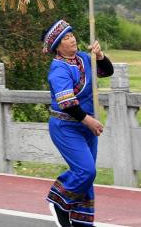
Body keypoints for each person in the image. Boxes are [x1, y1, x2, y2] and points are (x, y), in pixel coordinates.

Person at [43, 19, 114, 227]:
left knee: (87, 176)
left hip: (86, 125)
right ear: (57, 45)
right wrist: (89, 121)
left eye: (71, 34)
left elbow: (107, 71)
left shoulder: (84, 58)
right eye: (65, 37)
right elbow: (67, 104)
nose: (72, 39)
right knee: (85, 170)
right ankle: (59, 201)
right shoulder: (58, 69)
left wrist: (100, 56)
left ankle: (82, 220)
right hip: (66, 126)